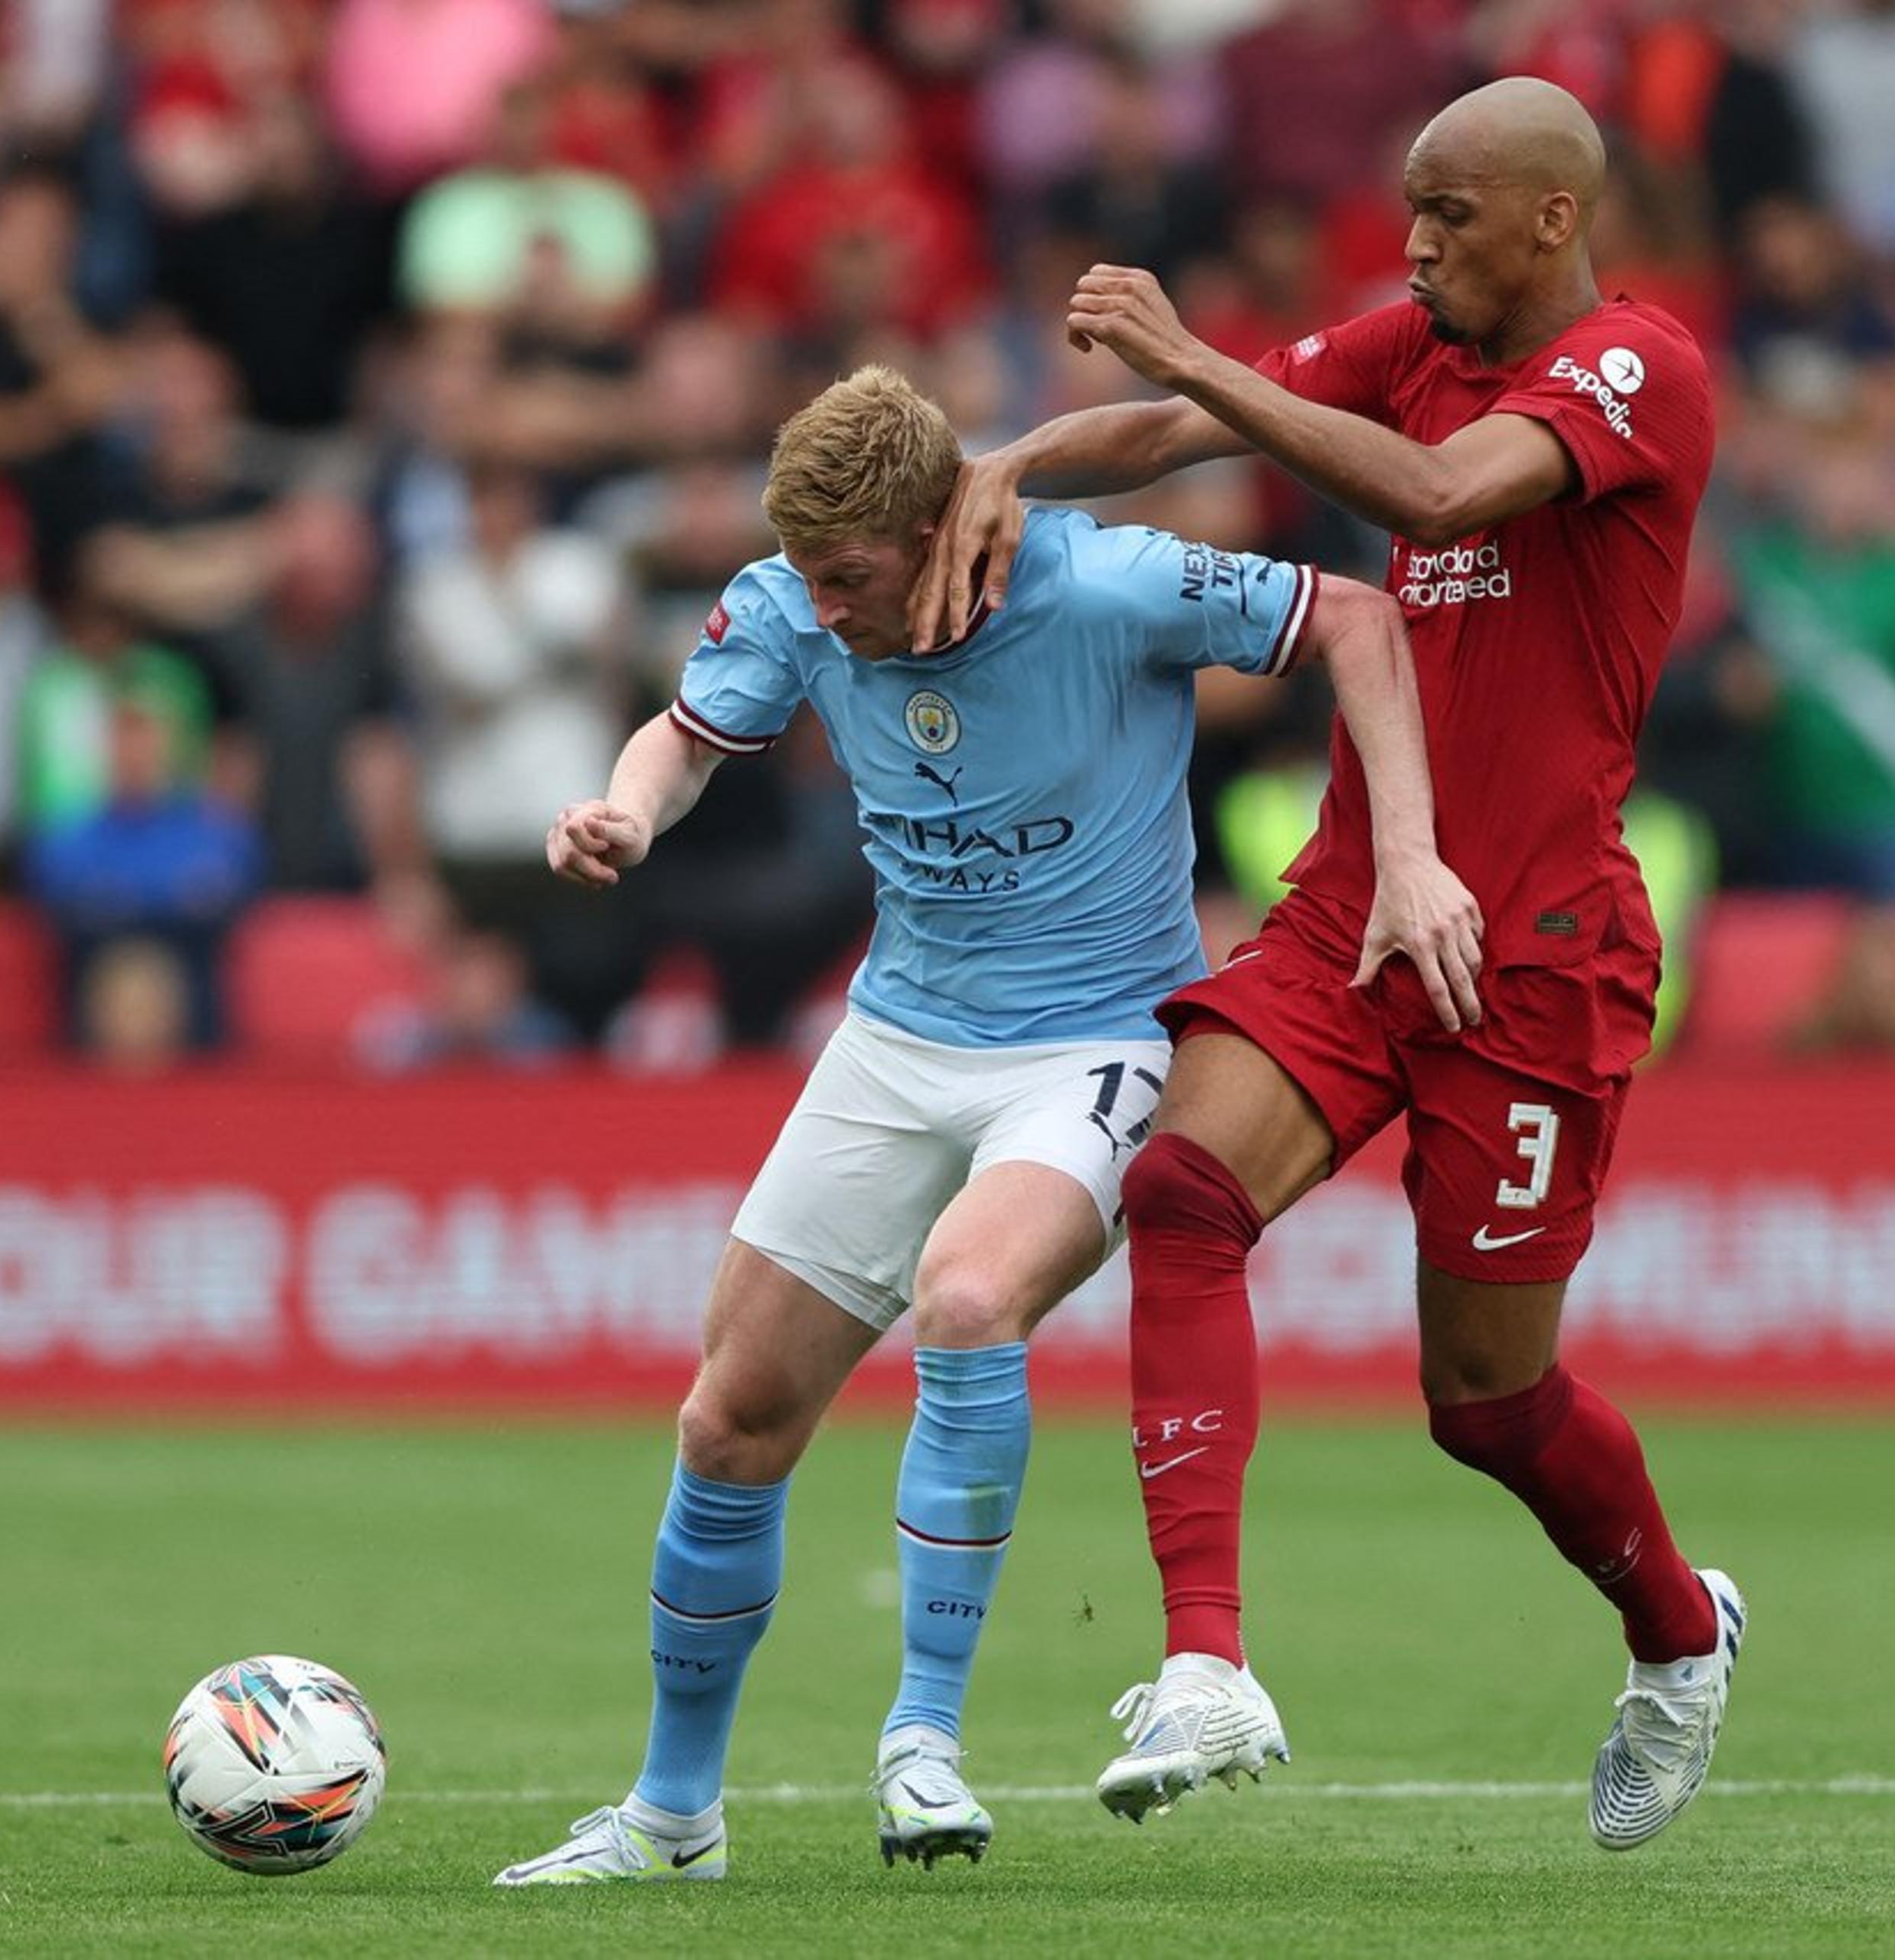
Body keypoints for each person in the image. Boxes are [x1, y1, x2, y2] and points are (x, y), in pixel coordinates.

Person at [494, 365, 1476, 1884]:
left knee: (968, 1295)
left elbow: (1356, 612)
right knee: (728, 1417)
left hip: (1094, 1041)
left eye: (850, 577)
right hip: (899, 1037)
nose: (820, 610)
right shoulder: (790, 599)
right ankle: (672, 1815)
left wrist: (1405, 855)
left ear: (945, 524)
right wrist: (627, 805)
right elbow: (682, 738)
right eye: (806, 575)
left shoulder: (1106, 582)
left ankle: (922, 1738)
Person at [911, 77, 1743, 1850]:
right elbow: (1187, 435)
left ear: (1547, 220)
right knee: (1188, 1185)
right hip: (1361, 900)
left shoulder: (1635, 368)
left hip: (1531, 949)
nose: (1417, 242)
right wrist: (1011, 466)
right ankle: (1207, 1660)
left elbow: (1437, 488)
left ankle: (1679, 1633)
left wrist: (1204, 359)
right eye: (1410, 210)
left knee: (1488, 1403)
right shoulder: (1416, 336)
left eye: (1448, 214)